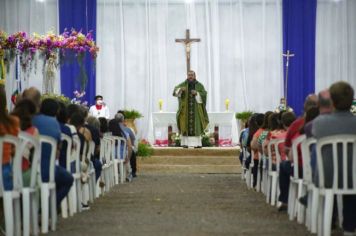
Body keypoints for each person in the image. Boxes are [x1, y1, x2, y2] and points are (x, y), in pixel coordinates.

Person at [312, 81, 356, 234]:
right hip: (353, 177)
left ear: (331, 100)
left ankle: (329, 219)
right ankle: (350, 227)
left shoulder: (319, 123)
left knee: (334, 170)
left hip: (327, 178)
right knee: (351, 180)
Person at [173, 70, 209, 148]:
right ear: (187, 76)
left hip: (196, 111)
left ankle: (197, 144)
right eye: (189, 75)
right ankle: (185, 143)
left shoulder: (199, 85)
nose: (190, 76)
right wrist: (180, 90)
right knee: (185, 127)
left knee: (197, 127)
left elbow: (204, 94)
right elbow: (174, 91)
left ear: (195, 76)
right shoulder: (183, 84)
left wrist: (197, 93)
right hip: (185, 111)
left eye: (192, 75)